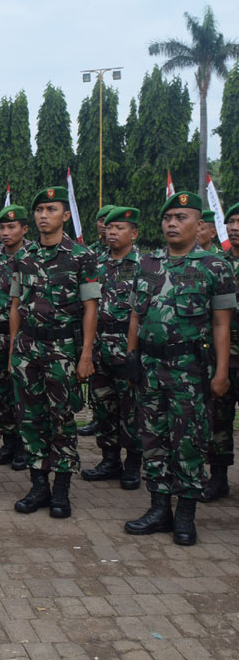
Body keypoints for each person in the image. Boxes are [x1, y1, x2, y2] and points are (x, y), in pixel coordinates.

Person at [124, 192, 234, 545]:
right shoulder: (148, 264)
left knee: (189, 440)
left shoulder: (215, 266)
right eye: (168, 217)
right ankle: (159, 509)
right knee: (152, 439)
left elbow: (221, 324)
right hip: (150, 366)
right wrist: (131, 355)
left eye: (181, 217)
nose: (172, 223)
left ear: (199, 225)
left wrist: (221, 372)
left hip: (189, 369)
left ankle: (186, 513)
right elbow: (136, 315)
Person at [9, 186, 99, 519]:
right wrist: (13, 352)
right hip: (27, 348)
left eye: (51, 209)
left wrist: (86, 354)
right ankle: (38, 487)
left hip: (62, 347)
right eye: (40, 209)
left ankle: (61, 490)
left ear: (65, 215)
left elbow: (91, 307)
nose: (44, 215)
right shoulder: (23, 256)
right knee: (29, 418)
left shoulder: (81, 255)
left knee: (61, 419)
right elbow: (17, 303)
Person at [80, 207, 142, 489]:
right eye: (110, 227)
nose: (112, 232)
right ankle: (109, 460)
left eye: (119, 227)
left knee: (132, 409)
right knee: (103, 406)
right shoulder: (95, 263)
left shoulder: (146, 265)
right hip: (99, 345)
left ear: (134, 233)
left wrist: (135, 352)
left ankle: (132, 465)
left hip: (128, 347)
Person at [0, 205, 29, 470]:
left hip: (24, 335)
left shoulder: (33, 257)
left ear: (24, 229)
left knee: (22, 391)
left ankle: (26, 444)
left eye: (11, 227)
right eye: (1, 227)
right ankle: (9, 440)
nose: (5, 232)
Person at [206, 201, 239, 501]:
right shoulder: (217, 263)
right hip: (226, 356)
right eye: (231, 222)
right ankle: (218, 477)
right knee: (220, 418)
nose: (236, 228)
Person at [78, 205, 117, 438]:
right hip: (97, 335)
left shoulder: (142, 261)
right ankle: (107, 454)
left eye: (111, 223)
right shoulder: (90, 256)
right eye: (102, 221)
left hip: (123, 339)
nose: (105, 226)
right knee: (100, 393)